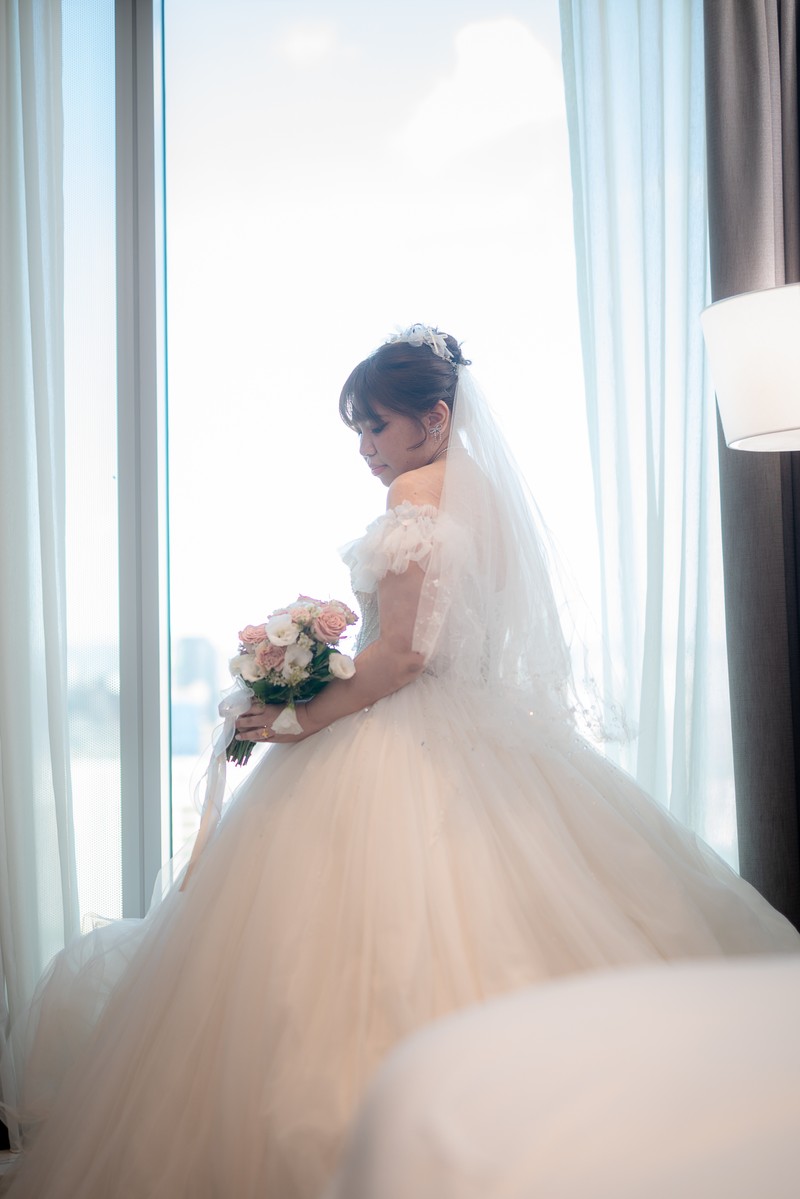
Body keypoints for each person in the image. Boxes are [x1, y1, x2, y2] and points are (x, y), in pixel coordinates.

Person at [3, 325, 799, 1199]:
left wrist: (296, 716)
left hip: (401, 732)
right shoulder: (487, 496)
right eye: (359, 430)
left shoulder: (415, 497)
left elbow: (403, 657)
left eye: (376, 425)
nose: (366, 448)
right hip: (487, 734)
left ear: (435, 418)